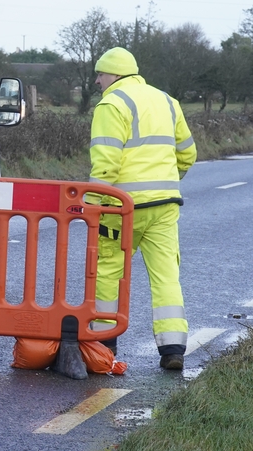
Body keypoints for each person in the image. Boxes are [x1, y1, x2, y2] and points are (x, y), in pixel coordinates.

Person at [88, 47, 195, 370]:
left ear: (114, 75)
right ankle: (173, 348)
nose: (97, 80)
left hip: (123, 208)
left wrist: (91, 205)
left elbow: (106, 163)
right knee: (165, 275)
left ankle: (104, 345)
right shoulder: (167, 101)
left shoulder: (112, 103)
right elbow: (187, 154)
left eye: (100, 74)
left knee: (108, 271)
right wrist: (165, 181)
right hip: (164, 205)